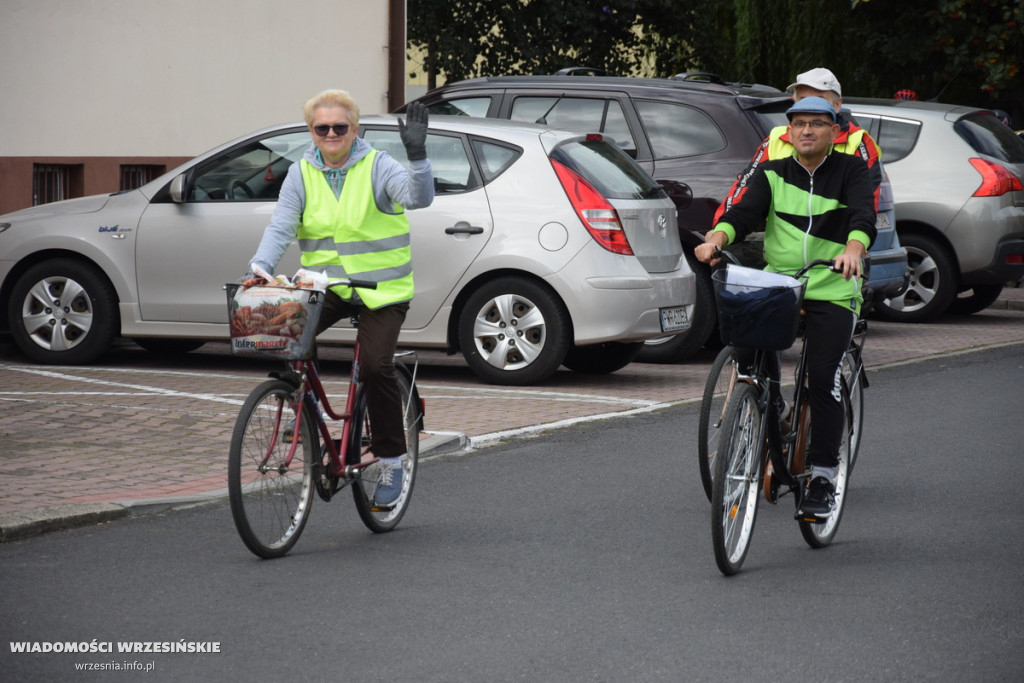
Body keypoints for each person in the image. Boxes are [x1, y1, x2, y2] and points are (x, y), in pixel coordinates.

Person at [246, 90, 434, 507]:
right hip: (328, 287)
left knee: (374, 365)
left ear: (355, 130)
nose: (331, 134)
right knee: (288, 341)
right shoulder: (301, 173)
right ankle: (308, 422)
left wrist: (418, 157)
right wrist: (259, 268)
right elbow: (281, 226)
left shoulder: (377, 166)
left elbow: (417, 197)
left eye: (340, 127)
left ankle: (390, 457)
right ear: (311, 133)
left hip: (382, 290)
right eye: (322, 128)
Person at [696, 97, 877, 518]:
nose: (807, 130)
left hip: (834, 286)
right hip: (783, 285)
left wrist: (853, 250)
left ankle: (822, 475)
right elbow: (743, 214)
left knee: (822, 378)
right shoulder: (772, 172)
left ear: (834, 131)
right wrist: (716, 239)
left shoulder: (851, 170)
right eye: (799, 124)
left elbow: (863, 219)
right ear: (788, 133)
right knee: (750, 355)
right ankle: (769, 404)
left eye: (817, 124)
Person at [715, 67, 885, 225]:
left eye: (819, 100)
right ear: (793, 102)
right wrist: (720, 231)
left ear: (837, 105)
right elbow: (744, 188)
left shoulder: (858, 141)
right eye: (803, 100)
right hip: (783, 248)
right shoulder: (776, 138)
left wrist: (853, 247)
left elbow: (866, 206)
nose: (811, 106)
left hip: (837, 251)